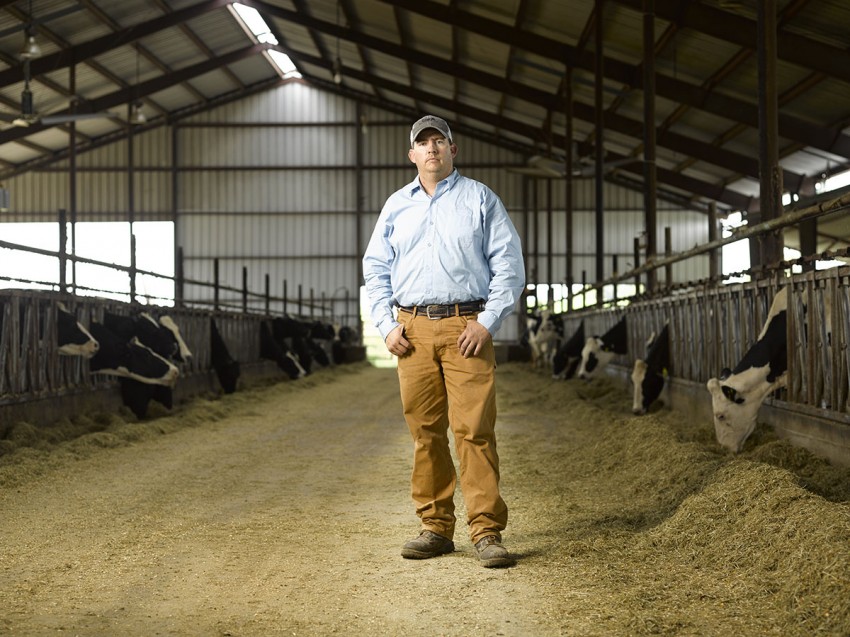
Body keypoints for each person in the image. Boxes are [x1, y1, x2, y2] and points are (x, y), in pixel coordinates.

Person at [362, 115, 525, 568]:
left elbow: (509, 265)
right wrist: (386, 325)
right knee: (425, 432)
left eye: (440, 141)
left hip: (465, 329)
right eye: (423, 143)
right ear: (411, 154)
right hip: (411, 331)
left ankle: (486, 530)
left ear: (455, 150)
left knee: (473, 430)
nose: (432, 148)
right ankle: (435, 527)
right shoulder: (396, 206)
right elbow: (375, 269)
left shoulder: (480, 199)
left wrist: (486, 321)